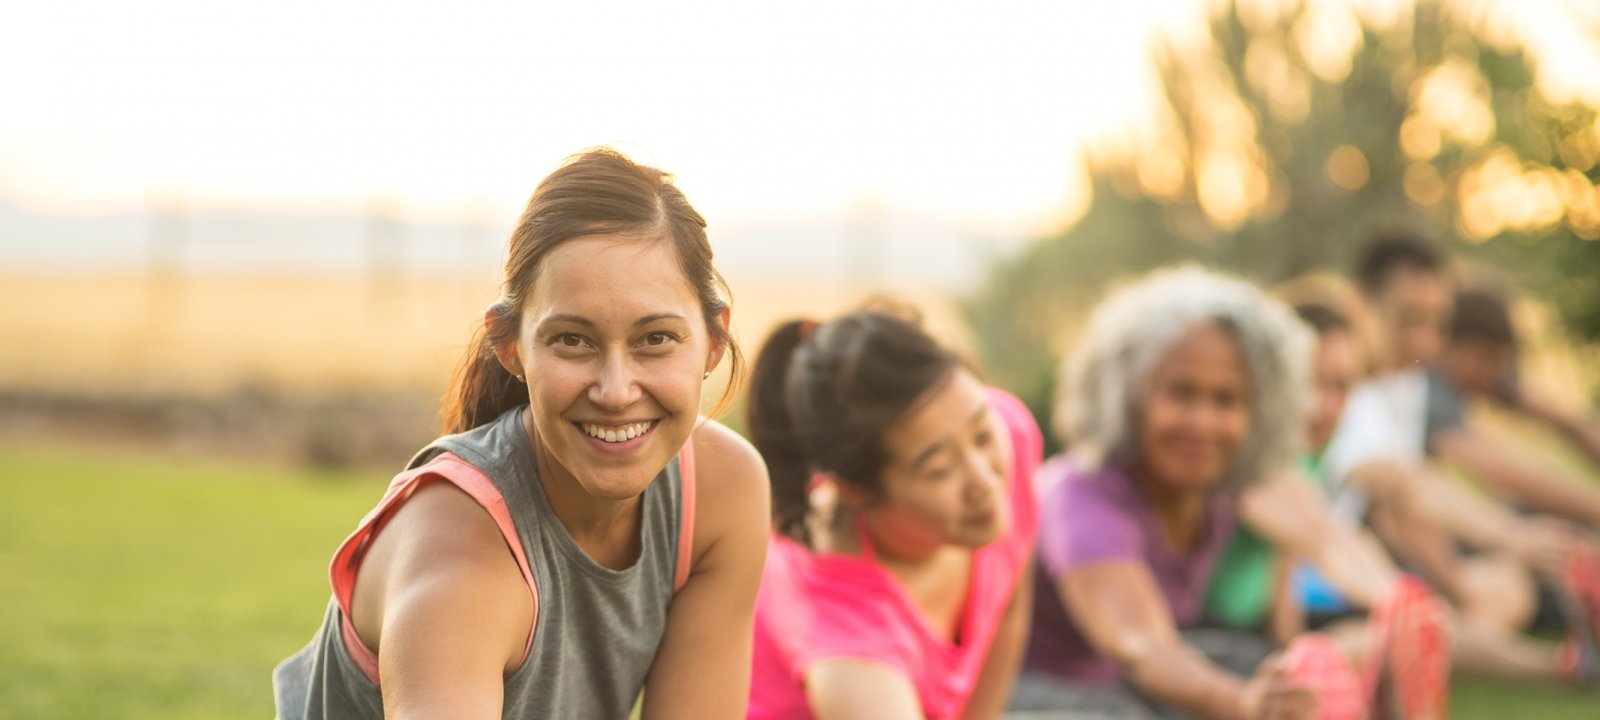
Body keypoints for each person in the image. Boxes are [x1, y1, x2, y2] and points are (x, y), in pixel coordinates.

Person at [272, 149, 771, 719]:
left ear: (711, 339)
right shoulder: (459, 561)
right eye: (572, 340)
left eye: (655, 338)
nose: (615, 390)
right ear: (510, 345)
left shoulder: (723, 488)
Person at [1017, 266, 1447, 720]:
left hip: (1129, 676)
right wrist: (1240, 703)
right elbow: (1141, 646)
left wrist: (1397, 606)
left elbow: (1322, 533)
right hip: (1045, 692)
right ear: (1129, 396)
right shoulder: (1082, 495)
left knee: (1280, 672)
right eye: (1181, 394)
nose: (1203, 423)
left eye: (1226, 401)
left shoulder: (1219, 482)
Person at [743, 306, 1042, 719]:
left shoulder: (1010, 432)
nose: (985, 481)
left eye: (982, 435)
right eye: (939, 469)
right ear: (852, 488)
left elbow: (1006, 604)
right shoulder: (844, 639)